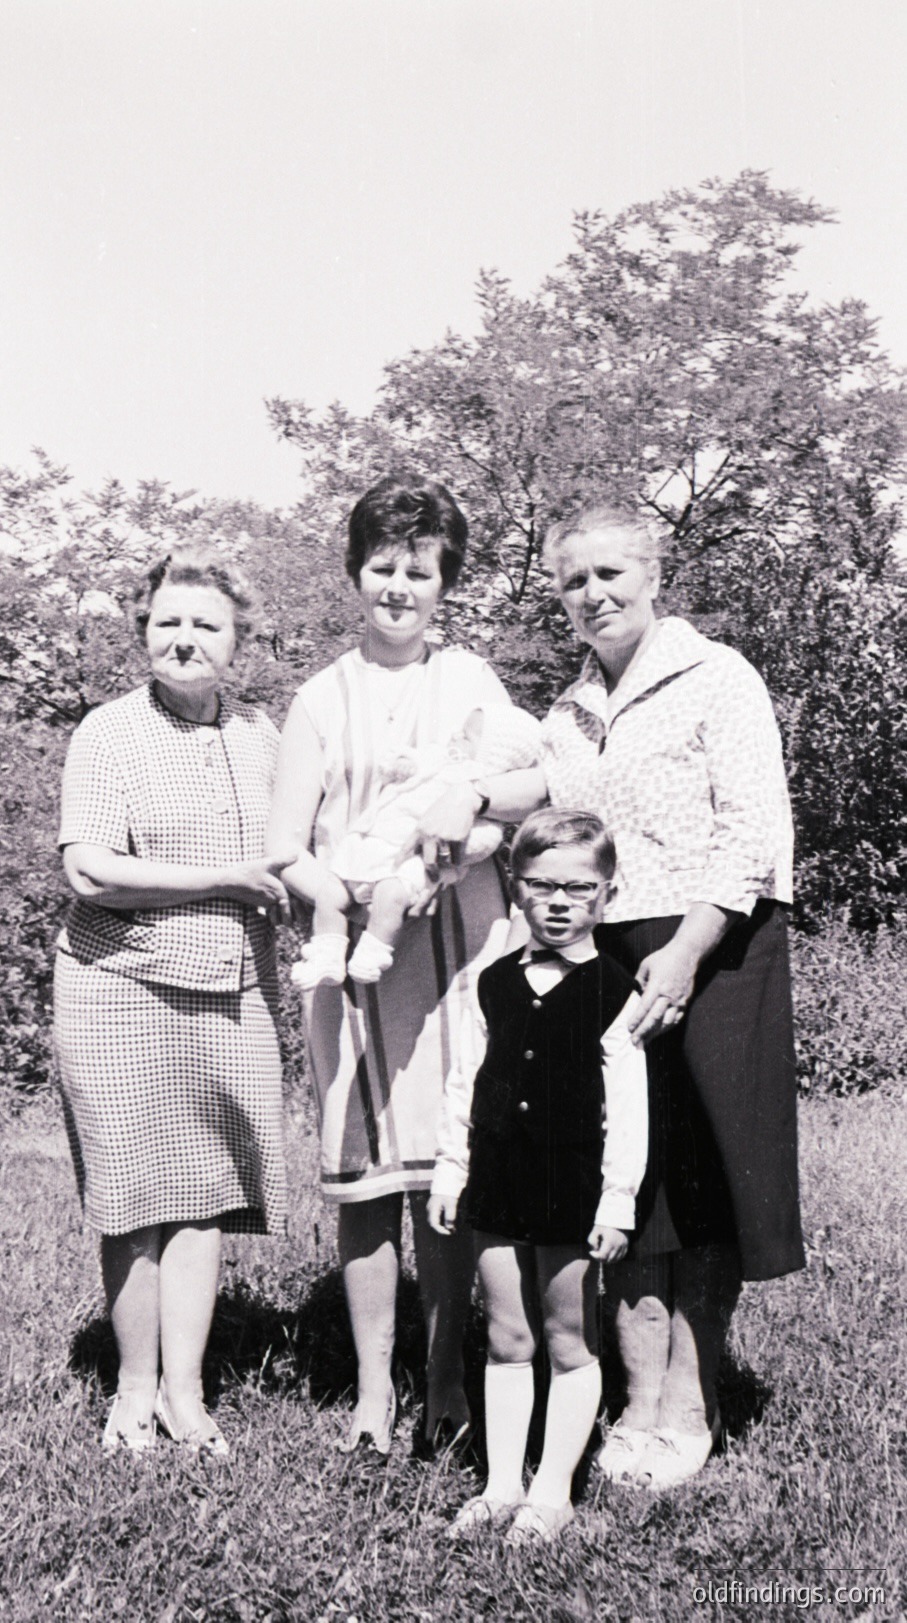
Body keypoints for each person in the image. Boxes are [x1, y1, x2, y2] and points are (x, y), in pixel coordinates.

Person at [413, 502, 805, 1489]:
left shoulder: (719, 678)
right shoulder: (574, 705)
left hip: (718, 942)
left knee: (703, 1184)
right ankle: (636, 1397)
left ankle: (691, 1399)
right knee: (624, 1175)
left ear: (652, 572)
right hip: (609, 949)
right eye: (572, 581)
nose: (591, 596)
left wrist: (686, 953)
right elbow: (546, 787)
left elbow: (753, 831)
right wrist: (464, 795)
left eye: (608, 575)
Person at [267, 474, 512, 1456]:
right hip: (359, 970)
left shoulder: (473, 681)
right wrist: (338, 895)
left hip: (457, 956)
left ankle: (447, 1378)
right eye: (383, 567)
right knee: (367, 1185)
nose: (400, 586)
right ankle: (374, 1393)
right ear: (355, 572)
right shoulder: (321, 697)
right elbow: (286, 843)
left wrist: (464, 839)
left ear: (445, 579)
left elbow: (522, 802)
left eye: (421, 569)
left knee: (445, 1175)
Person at [54, 547, 290, 1455]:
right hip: (116, 985)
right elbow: (91, 868)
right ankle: (131, 1390)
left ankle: (187, 1397)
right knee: (132, 1198)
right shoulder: (107, 732)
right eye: (167, 623)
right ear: (143, 631)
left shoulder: (263, 739)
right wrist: (226, 877)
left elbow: (305, 852)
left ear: (238, 640)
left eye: (204, 625)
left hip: (229, 992)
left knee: (202, 1197)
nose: (183, 639)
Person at [429, 809, 647, 1544]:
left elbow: (628, 1108)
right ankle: (499, 1484)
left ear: (606, 893)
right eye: (541, 885)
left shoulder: (616, 992)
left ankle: (551, 1489)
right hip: (495, 1181)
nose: (558, 901)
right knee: (505, 1335)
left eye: (577, 888)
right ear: (515, 887)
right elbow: (466, 1079)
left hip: (570, 1189)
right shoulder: (490, 982)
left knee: (565, 1335)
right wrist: (449, 1170)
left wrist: (616, 1202)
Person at [290, 701, 541, 988]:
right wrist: (401, 765)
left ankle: (374, 951)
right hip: (370, 844)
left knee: (391, 894)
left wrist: (457, 849)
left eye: (467, 737)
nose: (455, 736)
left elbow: (486, 838)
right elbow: (402, 765)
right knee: (330, 892)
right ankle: (327, 953)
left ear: (492, 756)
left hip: (411, 857)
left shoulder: (478, 783)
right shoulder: (438, 760)